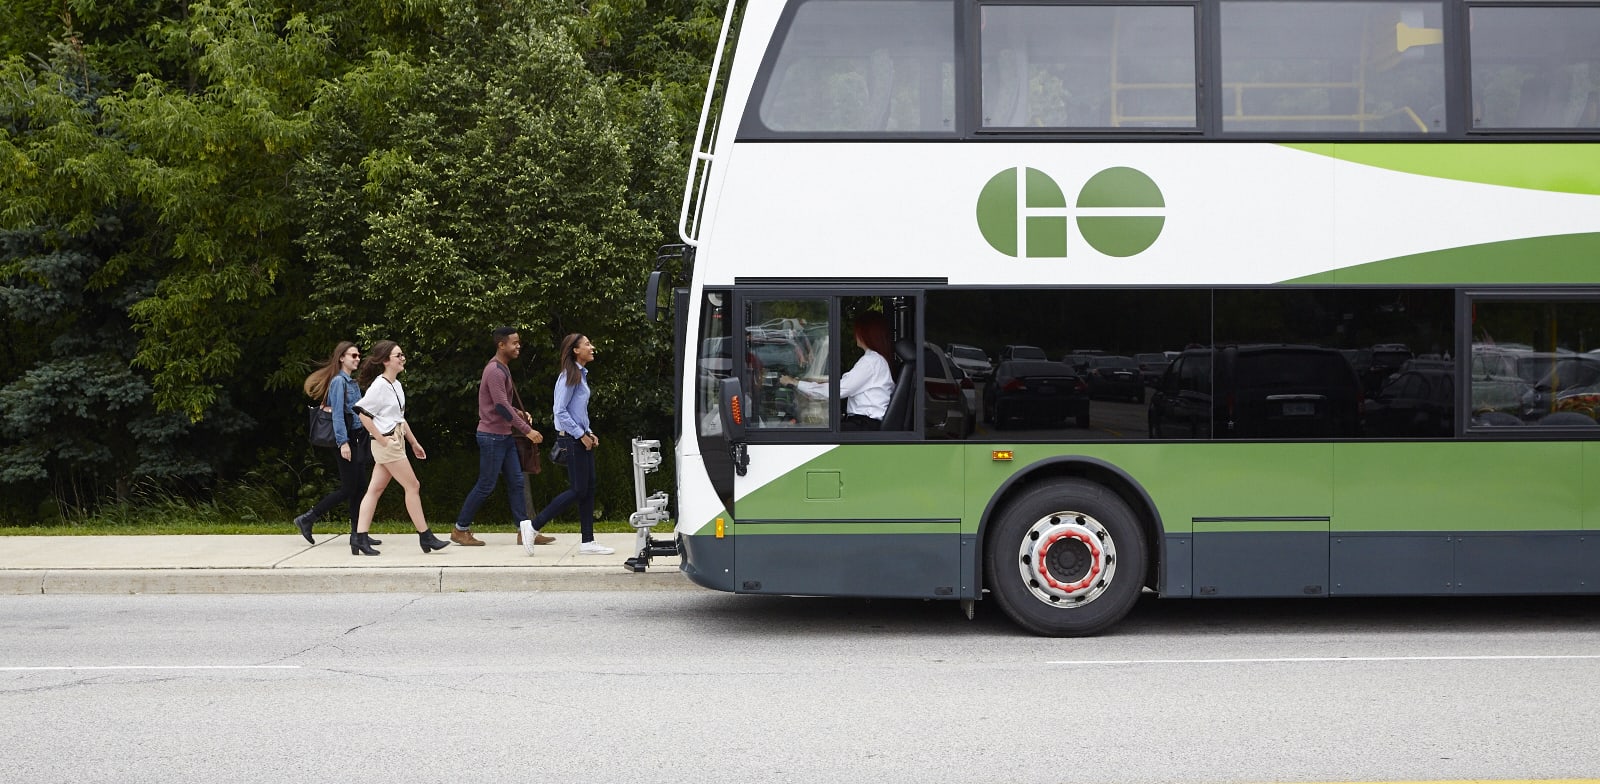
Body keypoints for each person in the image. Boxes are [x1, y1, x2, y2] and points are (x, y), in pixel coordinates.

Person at [450, 326, 552, 547]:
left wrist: (519, 412)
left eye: (518, 343)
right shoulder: (495, 370)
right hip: (492, 437)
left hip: (503, 436)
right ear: (501, 344)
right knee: (486, 484)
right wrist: (528, 430)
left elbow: (503, 404)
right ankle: (460, 529)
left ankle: (524, 531)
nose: (518, 346)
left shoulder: (502, 368)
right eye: (514, 343)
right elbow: (500, 407)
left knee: (516, 482)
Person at [349, 340, 450, 555]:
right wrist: (383, 440)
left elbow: (400, 419)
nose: (403, 358)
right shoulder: (379, 385)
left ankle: (359, 538)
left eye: (402, 354)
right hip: (387, 443)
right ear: (386, 361)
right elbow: (362, 414)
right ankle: (425, 536)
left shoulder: (396, 385)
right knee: (413, 485)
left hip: (396, 440)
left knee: (374, 490)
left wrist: (414, 443)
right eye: (398, 355)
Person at [520, 334, 613, 556]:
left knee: (588, 487)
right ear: (575, 350)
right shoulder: (568, 377)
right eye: (587, 344)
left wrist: (589, 432)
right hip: (571, 439)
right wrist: (581, 434)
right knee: (579, 489)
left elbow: (578, 410)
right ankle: (533, 525)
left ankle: (588, 541)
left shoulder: (580, 375)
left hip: (579, 437)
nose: (592, 347)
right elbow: (559, 411)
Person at [293, 342, 379, 546]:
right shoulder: (338, 382)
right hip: (347, 439)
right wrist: (343, 443)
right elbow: (337, 415)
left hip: (357, 438)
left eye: (358, 356)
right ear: (342, 357)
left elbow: (359, 413)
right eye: (354, 355)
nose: (357, 359)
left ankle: (358, 534)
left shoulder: (351, 382)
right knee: (349, 488)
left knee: (359, 488)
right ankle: (307, 518)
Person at [781, 311, 895, 430]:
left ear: (866, 334)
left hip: (864, 424)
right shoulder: (877, 360)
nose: (855, 335)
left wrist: (796, 383)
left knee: (813, 431)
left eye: (857, 331)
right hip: (865, 422)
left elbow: (838, 391)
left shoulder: (871, 361)